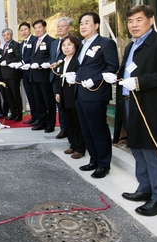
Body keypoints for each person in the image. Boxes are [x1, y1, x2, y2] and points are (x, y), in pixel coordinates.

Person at [112, 5, 157, 217]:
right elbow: (129, 70)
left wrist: (140, 82)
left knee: (152, 150)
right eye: (130, 21)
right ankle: (145, 188)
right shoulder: (131, 46)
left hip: (151, 106)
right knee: (137, 147)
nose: (134, 25)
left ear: (150, 20)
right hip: (130, 102)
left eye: (139, 20)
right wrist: (116, 77)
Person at [67, 12, 119, 179]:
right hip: (80, 93)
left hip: (95, 93)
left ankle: (104, 164)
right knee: (86, 129)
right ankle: (94, 159)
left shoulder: (105, 43)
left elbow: (112, 67)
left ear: (96, 25)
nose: (83, 26)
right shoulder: (82, 45)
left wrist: (95, 79)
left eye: (87, 23)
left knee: (98, 129)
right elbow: (84, 67)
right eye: (81, 23)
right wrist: (75, 76)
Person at [54, 35, 85, 159]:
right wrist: (57, 92)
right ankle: (72, 144)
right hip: (62, 93)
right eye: (63, 45)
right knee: (68, 121)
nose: (66, 47)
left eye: (69, 44)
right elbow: (58, 77)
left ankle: (80, 147)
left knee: (77, 121)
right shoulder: (62, 60)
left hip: (73, 93)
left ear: (76, 46)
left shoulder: (78, 60)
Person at [29, 20, 56, 132]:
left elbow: (51, 56)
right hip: (35, 75)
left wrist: (44, 63)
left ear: (45, 27)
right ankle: (41, 121)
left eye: (39, 27)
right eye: (35, 28)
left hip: (44, 75)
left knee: (48, 100)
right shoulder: (35, 40)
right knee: (38, 100)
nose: (37, 30)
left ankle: (50, 124)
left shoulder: (51, 41)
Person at [50, 17, 72, 139]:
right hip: (54, 77)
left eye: (62, 26)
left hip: (68, 77)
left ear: (69, 27)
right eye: (58, 26)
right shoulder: (54, 43)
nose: (60, 28)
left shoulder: (74, 41)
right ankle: (63, 128)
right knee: (59, 104)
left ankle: (70, 129)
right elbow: (51, 57)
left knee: (67, 105)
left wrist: (58, 63)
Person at [0, 28, 23, 121]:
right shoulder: (4, 46)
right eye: (4, 35)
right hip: (5, 75)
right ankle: (13, 112)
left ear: (11, 35)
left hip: (13, 74)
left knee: (15, 95)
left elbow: (18, 57)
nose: (6, 37)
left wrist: (7, 61)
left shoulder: (16, 44)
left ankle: (19, 114)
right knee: (8, 95)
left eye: (8, 35)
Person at [19, 22, 38, 125]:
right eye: (21, 30)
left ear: (29, 30)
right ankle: (34, 116)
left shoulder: (35, 40)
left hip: (33, 72)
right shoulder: (22, 43)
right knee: (30, 96)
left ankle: (39, 116)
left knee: (36, 96)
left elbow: (34, 55)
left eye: (25, 29)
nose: (23, 32)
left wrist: (24, 62)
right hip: (24, 73)